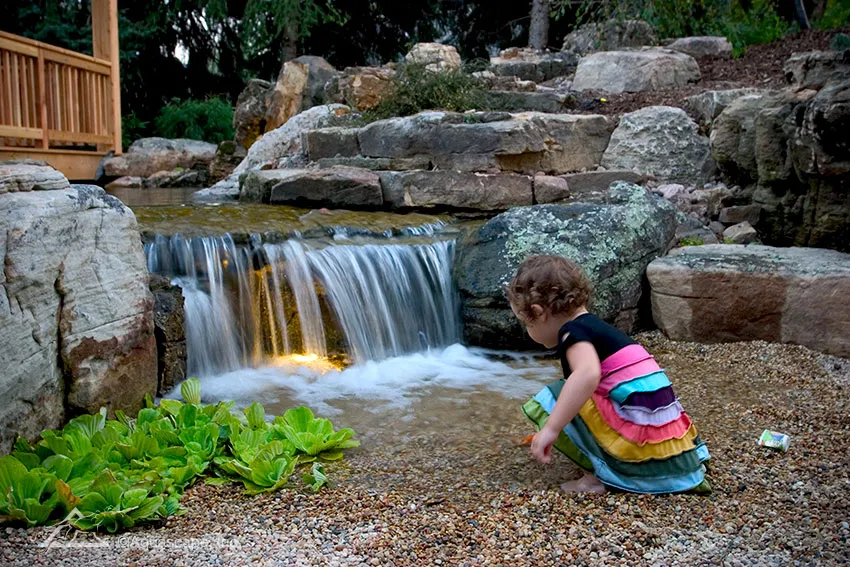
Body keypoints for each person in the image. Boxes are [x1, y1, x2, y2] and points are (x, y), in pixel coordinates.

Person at [508, 255, 711, 494]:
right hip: (664, 435)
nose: (528, 330)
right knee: (576, 394)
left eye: (526, 323)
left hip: (638, 437)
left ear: (538, 312)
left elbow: (587, 375)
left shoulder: (572, 333)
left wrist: (552, 428)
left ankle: (599, 476)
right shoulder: (596, 327)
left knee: (558, 396)